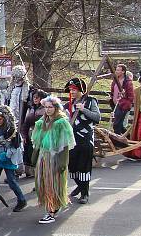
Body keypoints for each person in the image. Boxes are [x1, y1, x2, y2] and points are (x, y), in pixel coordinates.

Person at [31, 96, 75, 224]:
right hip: (43, 157)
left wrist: (62, 163)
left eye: (50, 107)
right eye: (46, 107)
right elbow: (38, 142)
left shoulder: (61, 123)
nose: (48, 109)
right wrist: (34, 157)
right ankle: (53, 207)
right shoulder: (42, 122)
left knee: (53, 185)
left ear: (56, 108)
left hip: (55, 158)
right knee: (43, 184)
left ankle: (51, 211)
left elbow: (65, 145)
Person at [65, 77, 101, 205]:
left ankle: (85, 193)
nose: (72, 92)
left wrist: (83, 109)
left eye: (74, 89)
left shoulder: (90, 101)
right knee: (72, 167)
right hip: (71, 140)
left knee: (83, 168)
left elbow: (97, 117)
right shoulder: (68, 104)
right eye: (70, 90)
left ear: (81, 90)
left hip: (85, 140)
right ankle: (80, 185)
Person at [0, 106, 28, 212]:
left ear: (6, 118)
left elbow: (16, 148)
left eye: (0, 119)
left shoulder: (13, 132)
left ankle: (21, 200)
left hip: (8, 160)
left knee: (11, 181)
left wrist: (6, 155)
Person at [21, 89, 47, 177]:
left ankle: (39, 174)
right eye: (34, 97)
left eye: (37, 98)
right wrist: (24, 135)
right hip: (30, 134)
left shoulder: (46, 109)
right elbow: (26, 123)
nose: (35, 99)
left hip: (41, 135)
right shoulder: (31, 108)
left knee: (38, 155)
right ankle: (29, 172)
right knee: (28, 153)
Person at [110, 63, 134, 135]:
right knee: (119, 125)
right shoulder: (115, 81)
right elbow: (113, 91)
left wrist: (126, 105)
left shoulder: (128, 82)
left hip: (122, 105)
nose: (116, 72)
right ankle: (127, 137)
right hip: (115, 104)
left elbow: (131, 96)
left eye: (118, 70)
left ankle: (117, 140)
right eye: (116, 70)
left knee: (116, 124)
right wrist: (111, 97)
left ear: (123, 71)